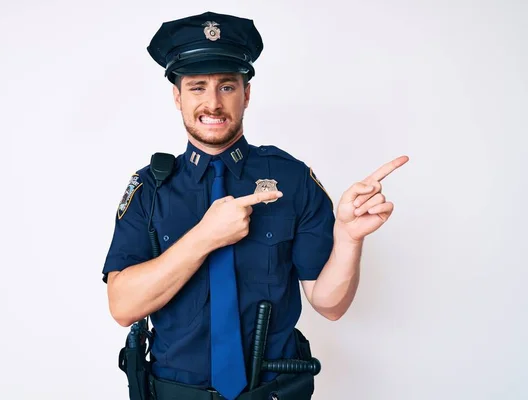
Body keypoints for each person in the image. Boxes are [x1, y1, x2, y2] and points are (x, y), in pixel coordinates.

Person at [102, 11, 408, 400]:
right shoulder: (150, 187)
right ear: (177, 96)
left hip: (272, 392)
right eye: (197, 87)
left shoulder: (292, 178)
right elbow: (122, 306)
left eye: (227, 86)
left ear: (247, 93)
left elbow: (330, 304)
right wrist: (205, 237)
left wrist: (349, 238)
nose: (212, 103)